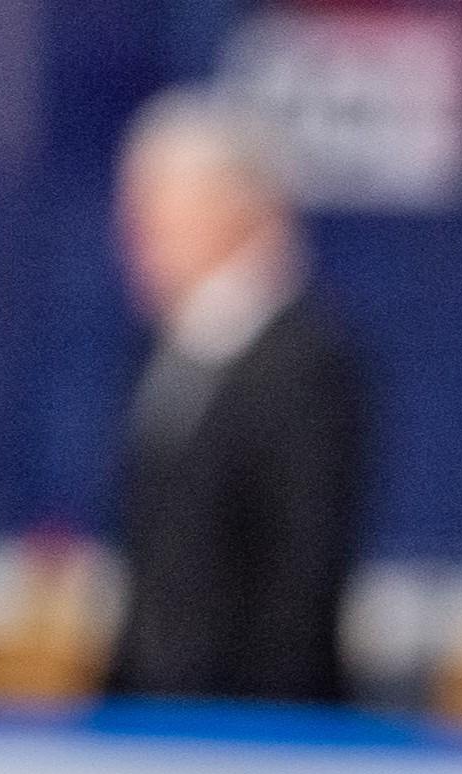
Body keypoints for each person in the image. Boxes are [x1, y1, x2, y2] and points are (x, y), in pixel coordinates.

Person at [104, 89, 369, 707]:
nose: (134, 240)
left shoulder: (306, 364)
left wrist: (247, 733)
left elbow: (299, 585)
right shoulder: (167, 352)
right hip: (153, 720)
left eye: (158, 213)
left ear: (234, 211)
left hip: (254, 732)